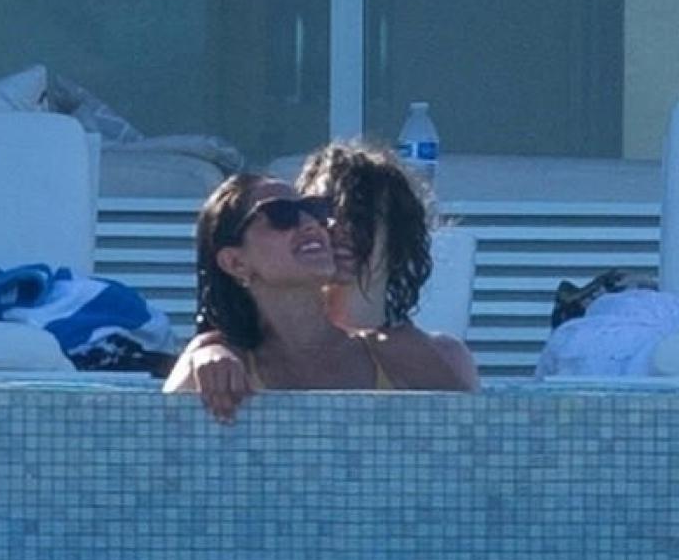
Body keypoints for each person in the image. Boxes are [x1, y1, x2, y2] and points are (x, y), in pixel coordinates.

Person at [166, 142, 479, 420]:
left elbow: (475, 440)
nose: (329, 226)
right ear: (235, 263)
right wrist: (205, 351)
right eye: (321, 210)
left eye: (359, 215)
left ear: (397, 236)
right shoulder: (218, 356)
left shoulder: (434, 356)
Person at [163, 173, 408, 418]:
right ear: (235, 262)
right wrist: (200, 354)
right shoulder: (217, 366)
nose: (310, 223)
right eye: (280, 214)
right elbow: (159, 430)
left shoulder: (395, 355)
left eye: (313, 209)